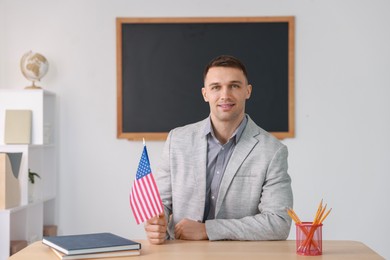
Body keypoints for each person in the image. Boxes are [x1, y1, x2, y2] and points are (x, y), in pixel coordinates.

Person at [144, 55, 293, 244]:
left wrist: (208, 229)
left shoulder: (272, 151)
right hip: (181, 252)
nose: (225, 95)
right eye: (216, 87)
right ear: (205, 94)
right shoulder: (177, 140)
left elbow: (279, 222)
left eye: (234, 86)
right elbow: (161, 204)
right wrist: (156, 223)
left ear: (248, 91)